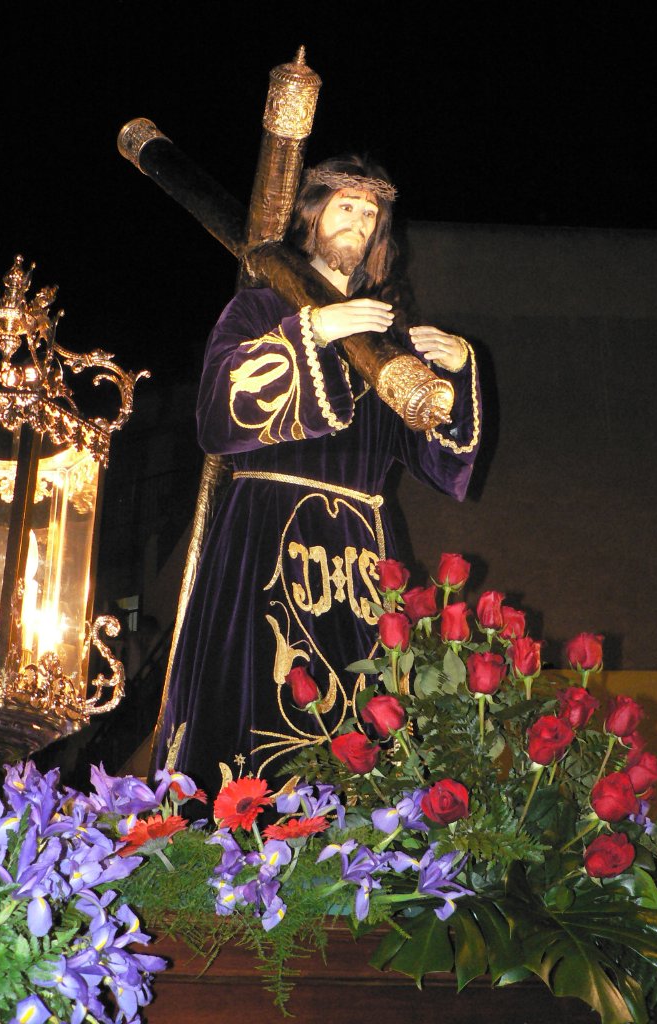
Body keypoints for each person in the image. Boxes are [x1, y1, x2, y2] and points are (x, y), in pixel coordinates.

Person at [156, 155, 481, 794]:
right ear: (312, 216)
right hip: (265, 536)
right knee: (255, 688)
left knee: (364, 706)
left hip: (361, 553)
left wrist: (457, 371)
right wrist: (314, 329)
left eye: (370, 213)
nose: (358, 222)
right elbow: (217, 416)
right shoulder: (257, 308)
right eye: (345, 207)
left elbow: (440, 462)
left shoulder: (385, 336)